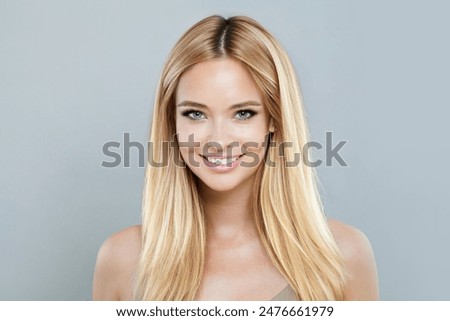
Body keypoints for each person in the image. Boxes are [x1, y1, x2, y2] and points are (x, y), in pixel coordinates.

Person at [92, 15, 378, 301]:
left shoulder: (343, 256)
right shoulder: (122, 260)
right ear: (172, 121)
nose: (218, 140)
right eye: (195, 114)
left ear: (273, 119)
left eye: (243, 113)